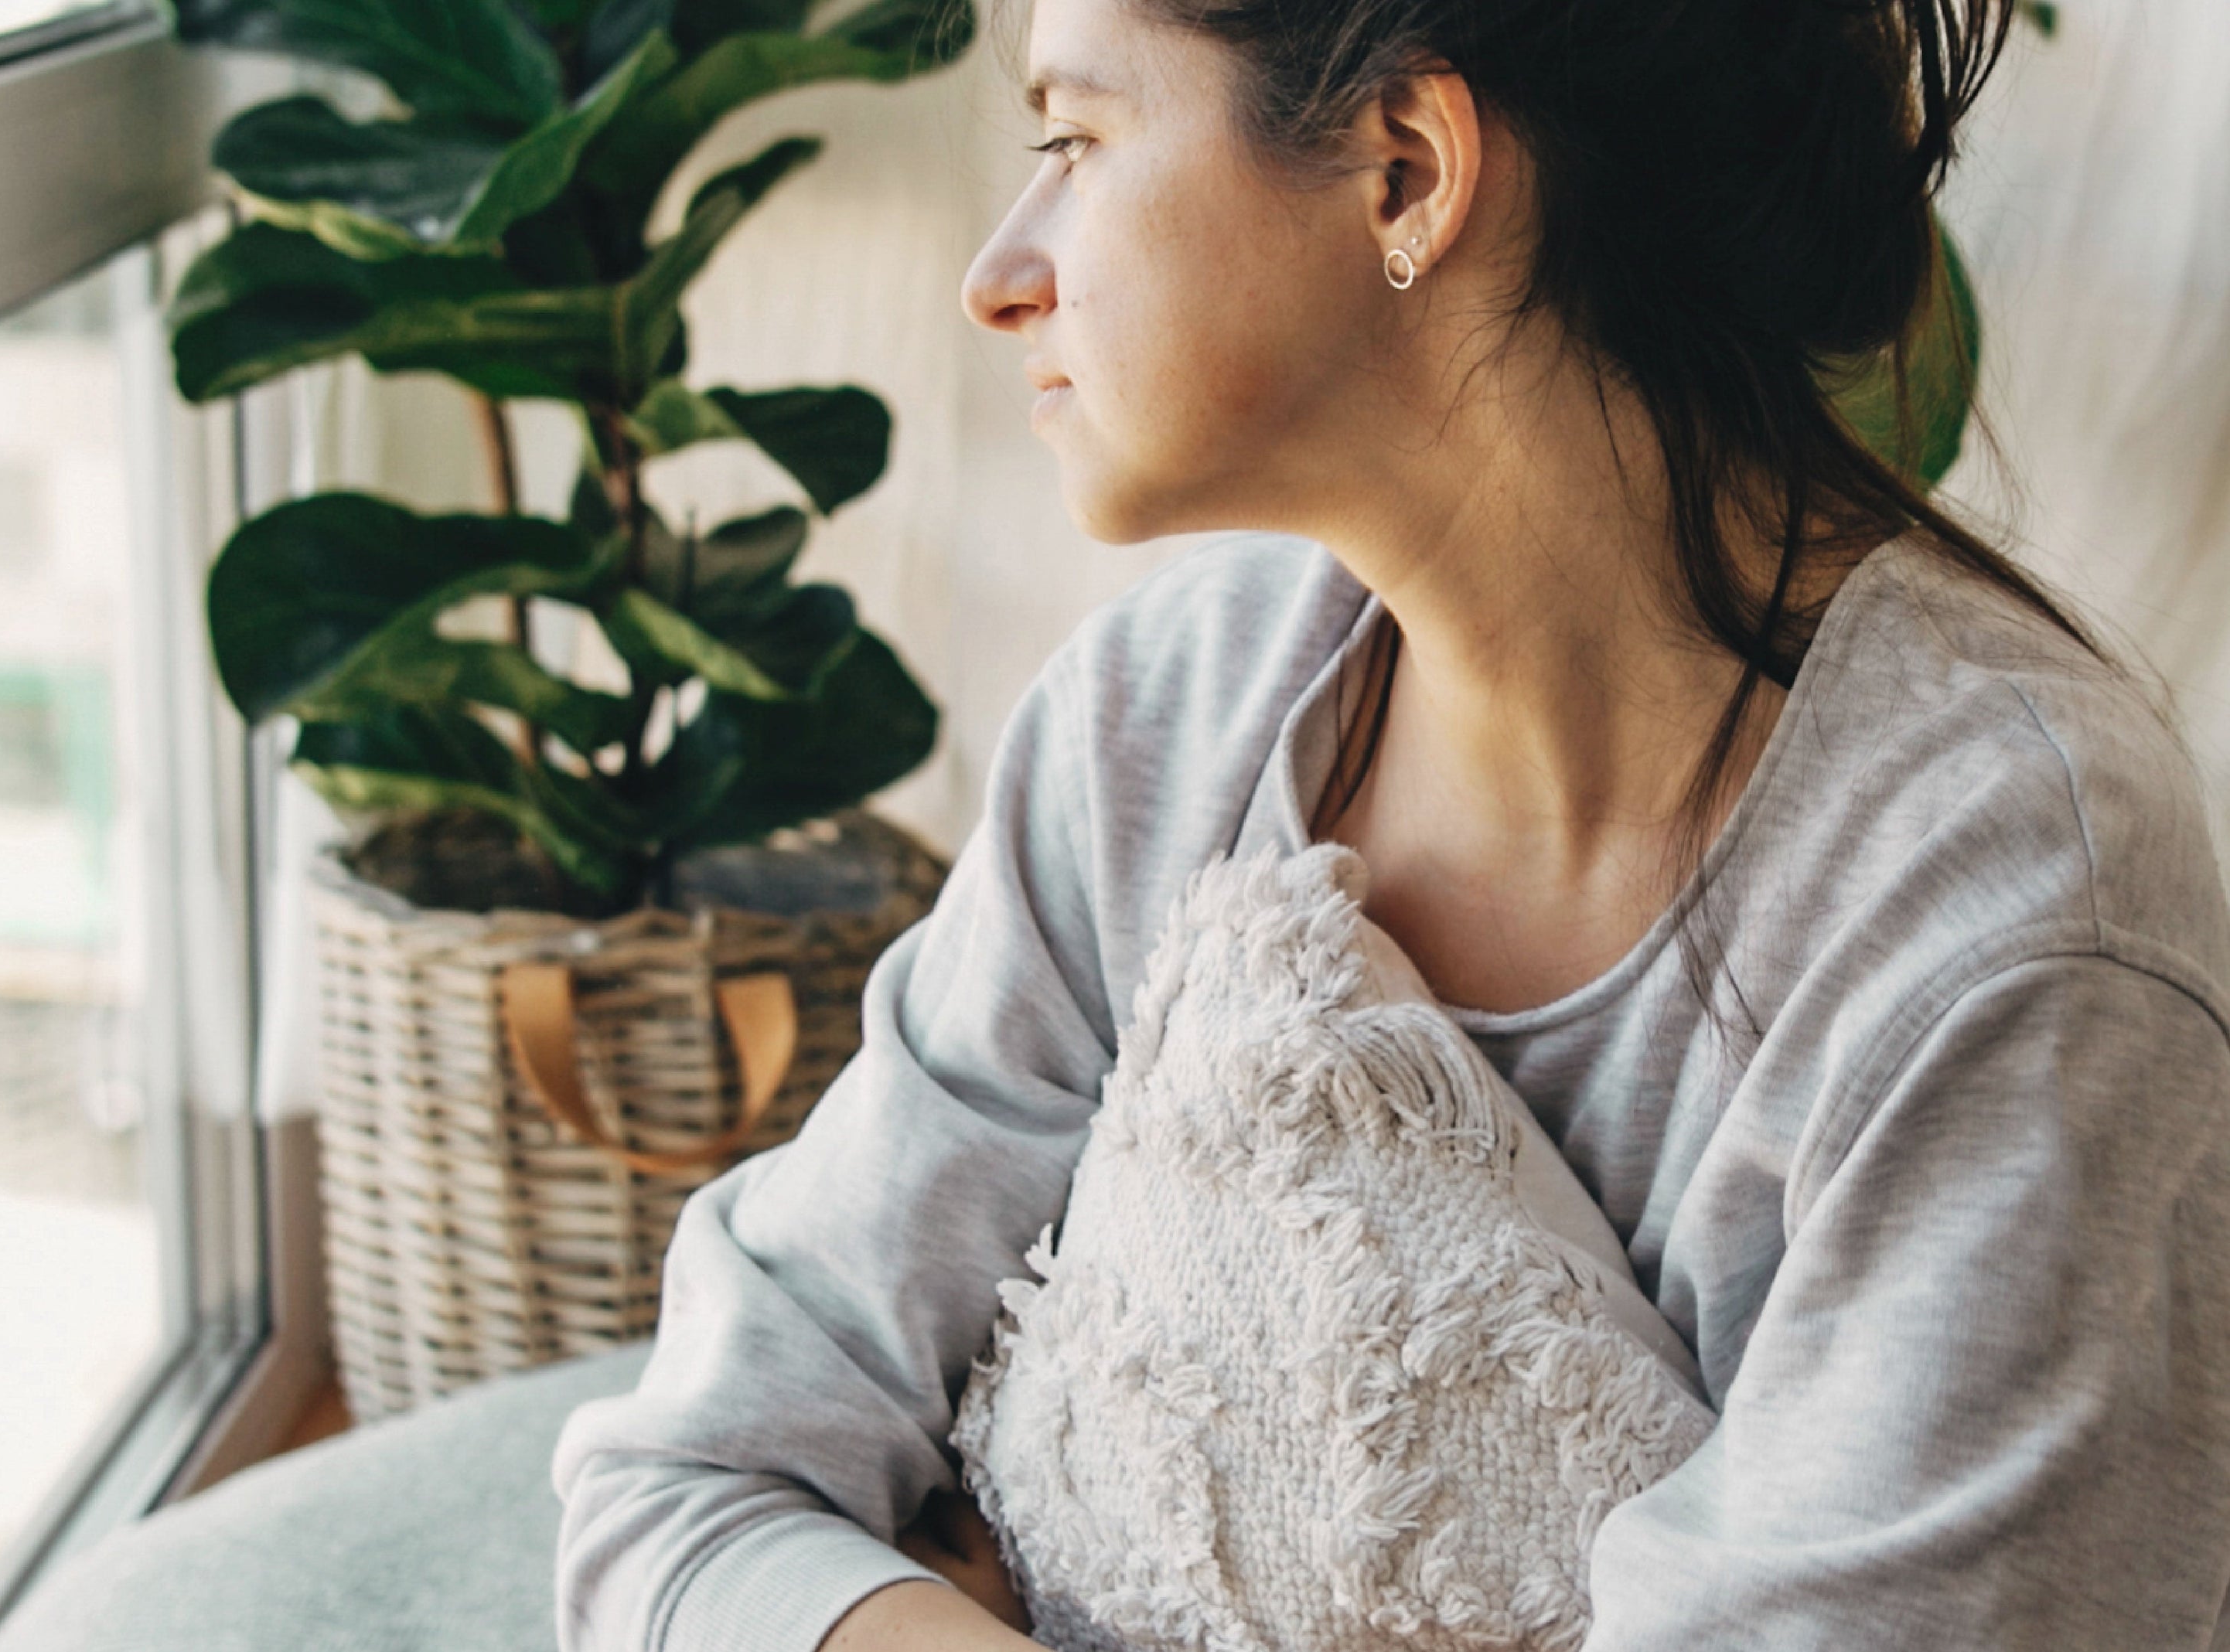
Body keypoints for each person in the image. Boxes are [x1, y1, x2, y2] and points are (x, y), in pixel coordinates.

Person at [549, 0, 2230, 1644]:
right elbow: (686, 1488)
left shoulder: (2010, 929)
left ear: (1407, 173)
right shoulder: (1159, 725)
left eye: (1074, 136)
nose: (998, 272)